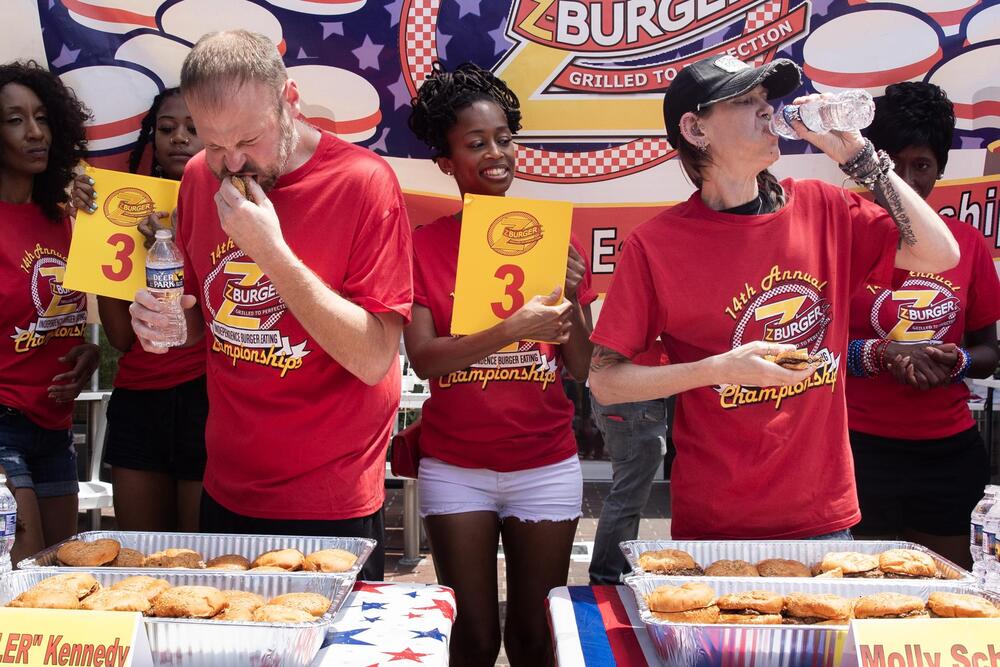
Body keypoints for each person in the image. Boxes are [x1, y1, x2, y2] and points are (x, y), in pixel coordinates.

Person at [588, 55, 960, 540]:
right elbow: (605, 381)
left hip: (823, 515)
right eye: (746, 101)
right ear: (695, 128)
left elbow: (939, 254)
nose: (767, 112)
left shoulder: (822, 205)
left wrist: (860, 157)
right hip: (716, 521)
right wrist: (718, 370)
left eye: (766, 100)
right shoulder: (656, 245)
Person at [128, 31, 412, 579]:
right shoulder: (197, 178)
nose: (232, 162)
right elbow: (201, 318)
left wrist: (271, 252)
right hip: (227, 487)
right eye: (213, 144)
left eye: (248, 139)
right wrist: (162, 322)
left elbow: (375, 357)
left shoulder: (363, 183)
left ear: (290, 99)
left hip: (333, 499)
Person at [406, 62, 594, 667]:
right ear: (446, 162)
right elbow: (425, 358)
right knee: (473, 637)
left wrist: (571, 302)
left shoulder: (549, 238)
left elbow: (585, 367)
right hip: (455, 464)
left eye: (504, 139)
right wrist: (509, 330)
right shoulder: (424, 244)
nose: (496, 154)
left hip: (544, 462)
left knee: (537, 639)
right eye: (476, 143)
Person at [846, 82, 1000, 569]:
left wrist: (957, 364)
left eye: (924, 166)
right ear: (872, 167)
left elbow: (989, 351)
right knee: (856, 597)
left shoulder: (967, 245)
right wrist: (877, 356)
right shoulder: (838, 237)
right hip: (854, 447)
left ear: (941, 169)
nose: (908, 182)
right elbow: (807, 346)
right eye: (894, 166)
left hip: (945, 454)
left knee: (941, 597)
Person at [73, 88, 208, 533]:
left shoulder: (234, 209)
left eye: (194, 128)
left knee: (198, 560)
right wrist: (99, 232)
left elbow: (214, 325)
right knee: (142, 557)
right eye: (167, 129)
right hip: (137, 399)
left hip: (206, 398)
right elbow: (120, 338)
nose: (179, 138)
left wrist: (170, 261)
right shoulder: (120, 207)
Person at [0, 61, 99, 564]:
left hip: (56, 427)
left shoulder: (63, 221)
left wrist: (90, 354)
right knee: (22, 571)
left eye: (41, 117)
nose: (35, 132)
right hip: (3, 423)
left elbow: (64, 321)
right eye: (14, 120)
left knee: (58, 575)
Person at [587, 344, 669, 585]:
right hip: (636, 392)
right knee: (627, 496)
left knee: (628, 493)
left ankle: (616, 575)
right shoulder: (635, 305)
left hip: (627, 391)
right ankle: (605, 580)